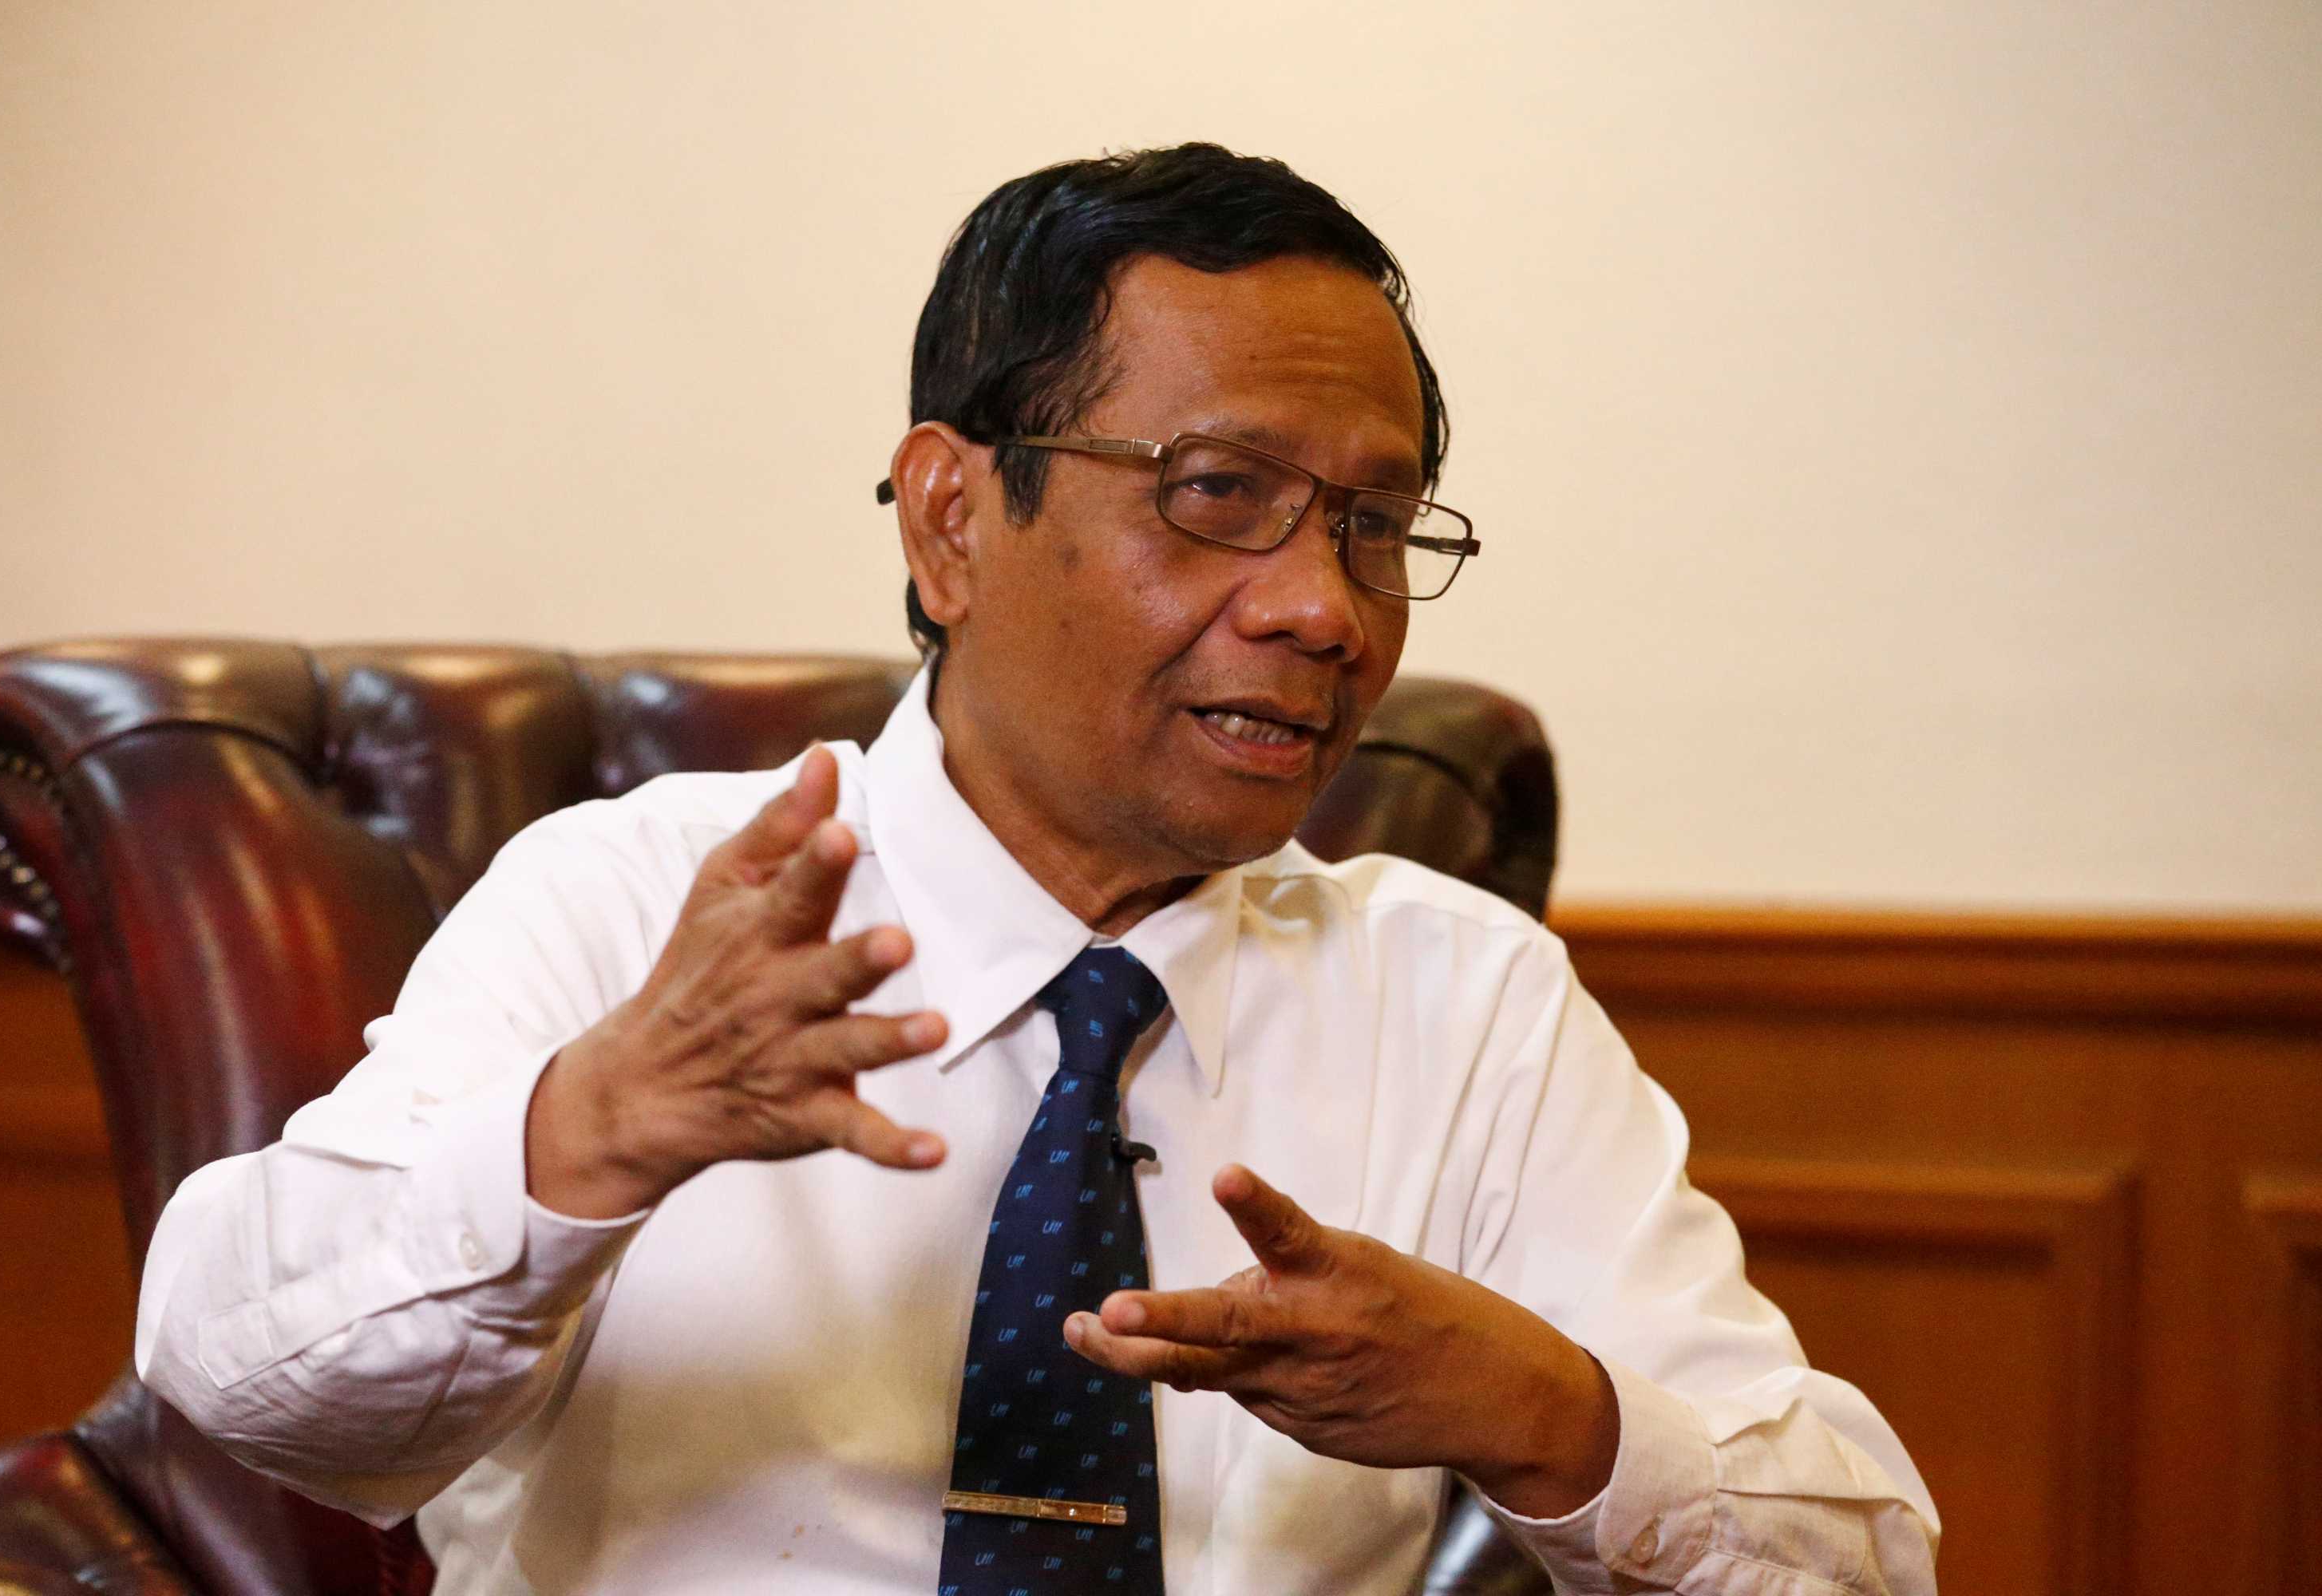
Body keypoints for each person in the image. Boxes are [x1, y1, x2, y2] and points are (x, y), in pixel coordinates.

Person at [135, 144, 1938, 1594]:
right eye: (1217, 492)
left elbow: (1861, 1565)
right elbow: (239, 1377)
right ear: (952, 520)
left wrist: (1542, 1408)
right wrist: (591, 1127)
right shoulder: (632, 907)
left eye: (1375, 527)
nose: (1321, 607)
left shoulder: (1463, 1004)